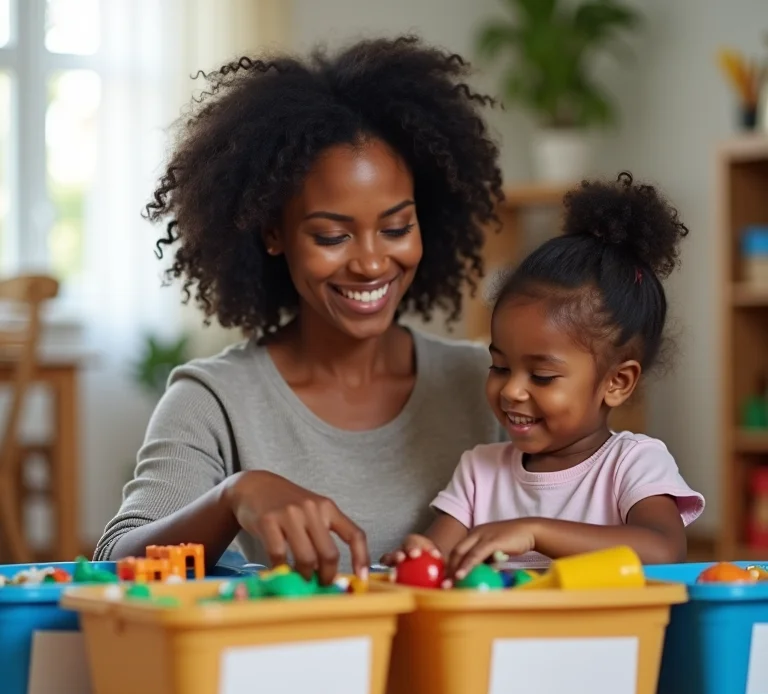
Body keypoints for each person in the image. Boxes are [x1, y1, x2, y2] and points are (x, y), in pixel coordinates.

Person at [93, 36, 506, 583]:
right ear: (273, 233)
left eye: (396, 228)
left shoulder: (489, 383)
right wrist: (233, 497)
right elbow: (114, 561)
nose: (371, 263)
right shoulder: (215, 400)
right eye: (332, 236)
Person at [385, 172, 704, 581]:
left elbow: (664, 551)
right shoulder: (480, 472)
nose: (512, 390)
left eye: (541, 376)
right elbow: (438, 561)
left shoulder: (633, 463)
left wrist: (536, 532)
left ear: (617, 382)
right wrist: (417, 558)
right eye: (500, 367)